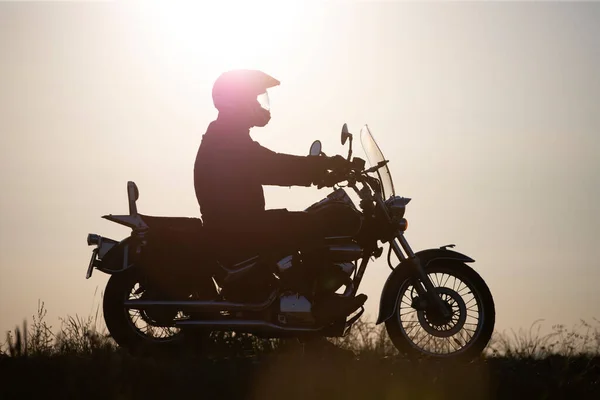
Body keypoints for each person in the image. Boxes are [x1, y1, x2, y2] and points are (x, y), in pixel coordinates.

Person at [194, 69, 367, 323]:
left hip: (237, 225)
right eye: (252, 99)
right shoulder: (226, 140)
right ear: (236, 102)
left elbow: (269, 165)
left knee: (304, 222)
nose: (257, 105)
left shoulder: (227, 136)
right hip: (236, 229)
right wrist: (323, 166)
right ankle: (317, 307)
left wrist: (321, 172)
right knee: (309, 224)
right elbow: (272, 166)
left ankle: (307, 308)